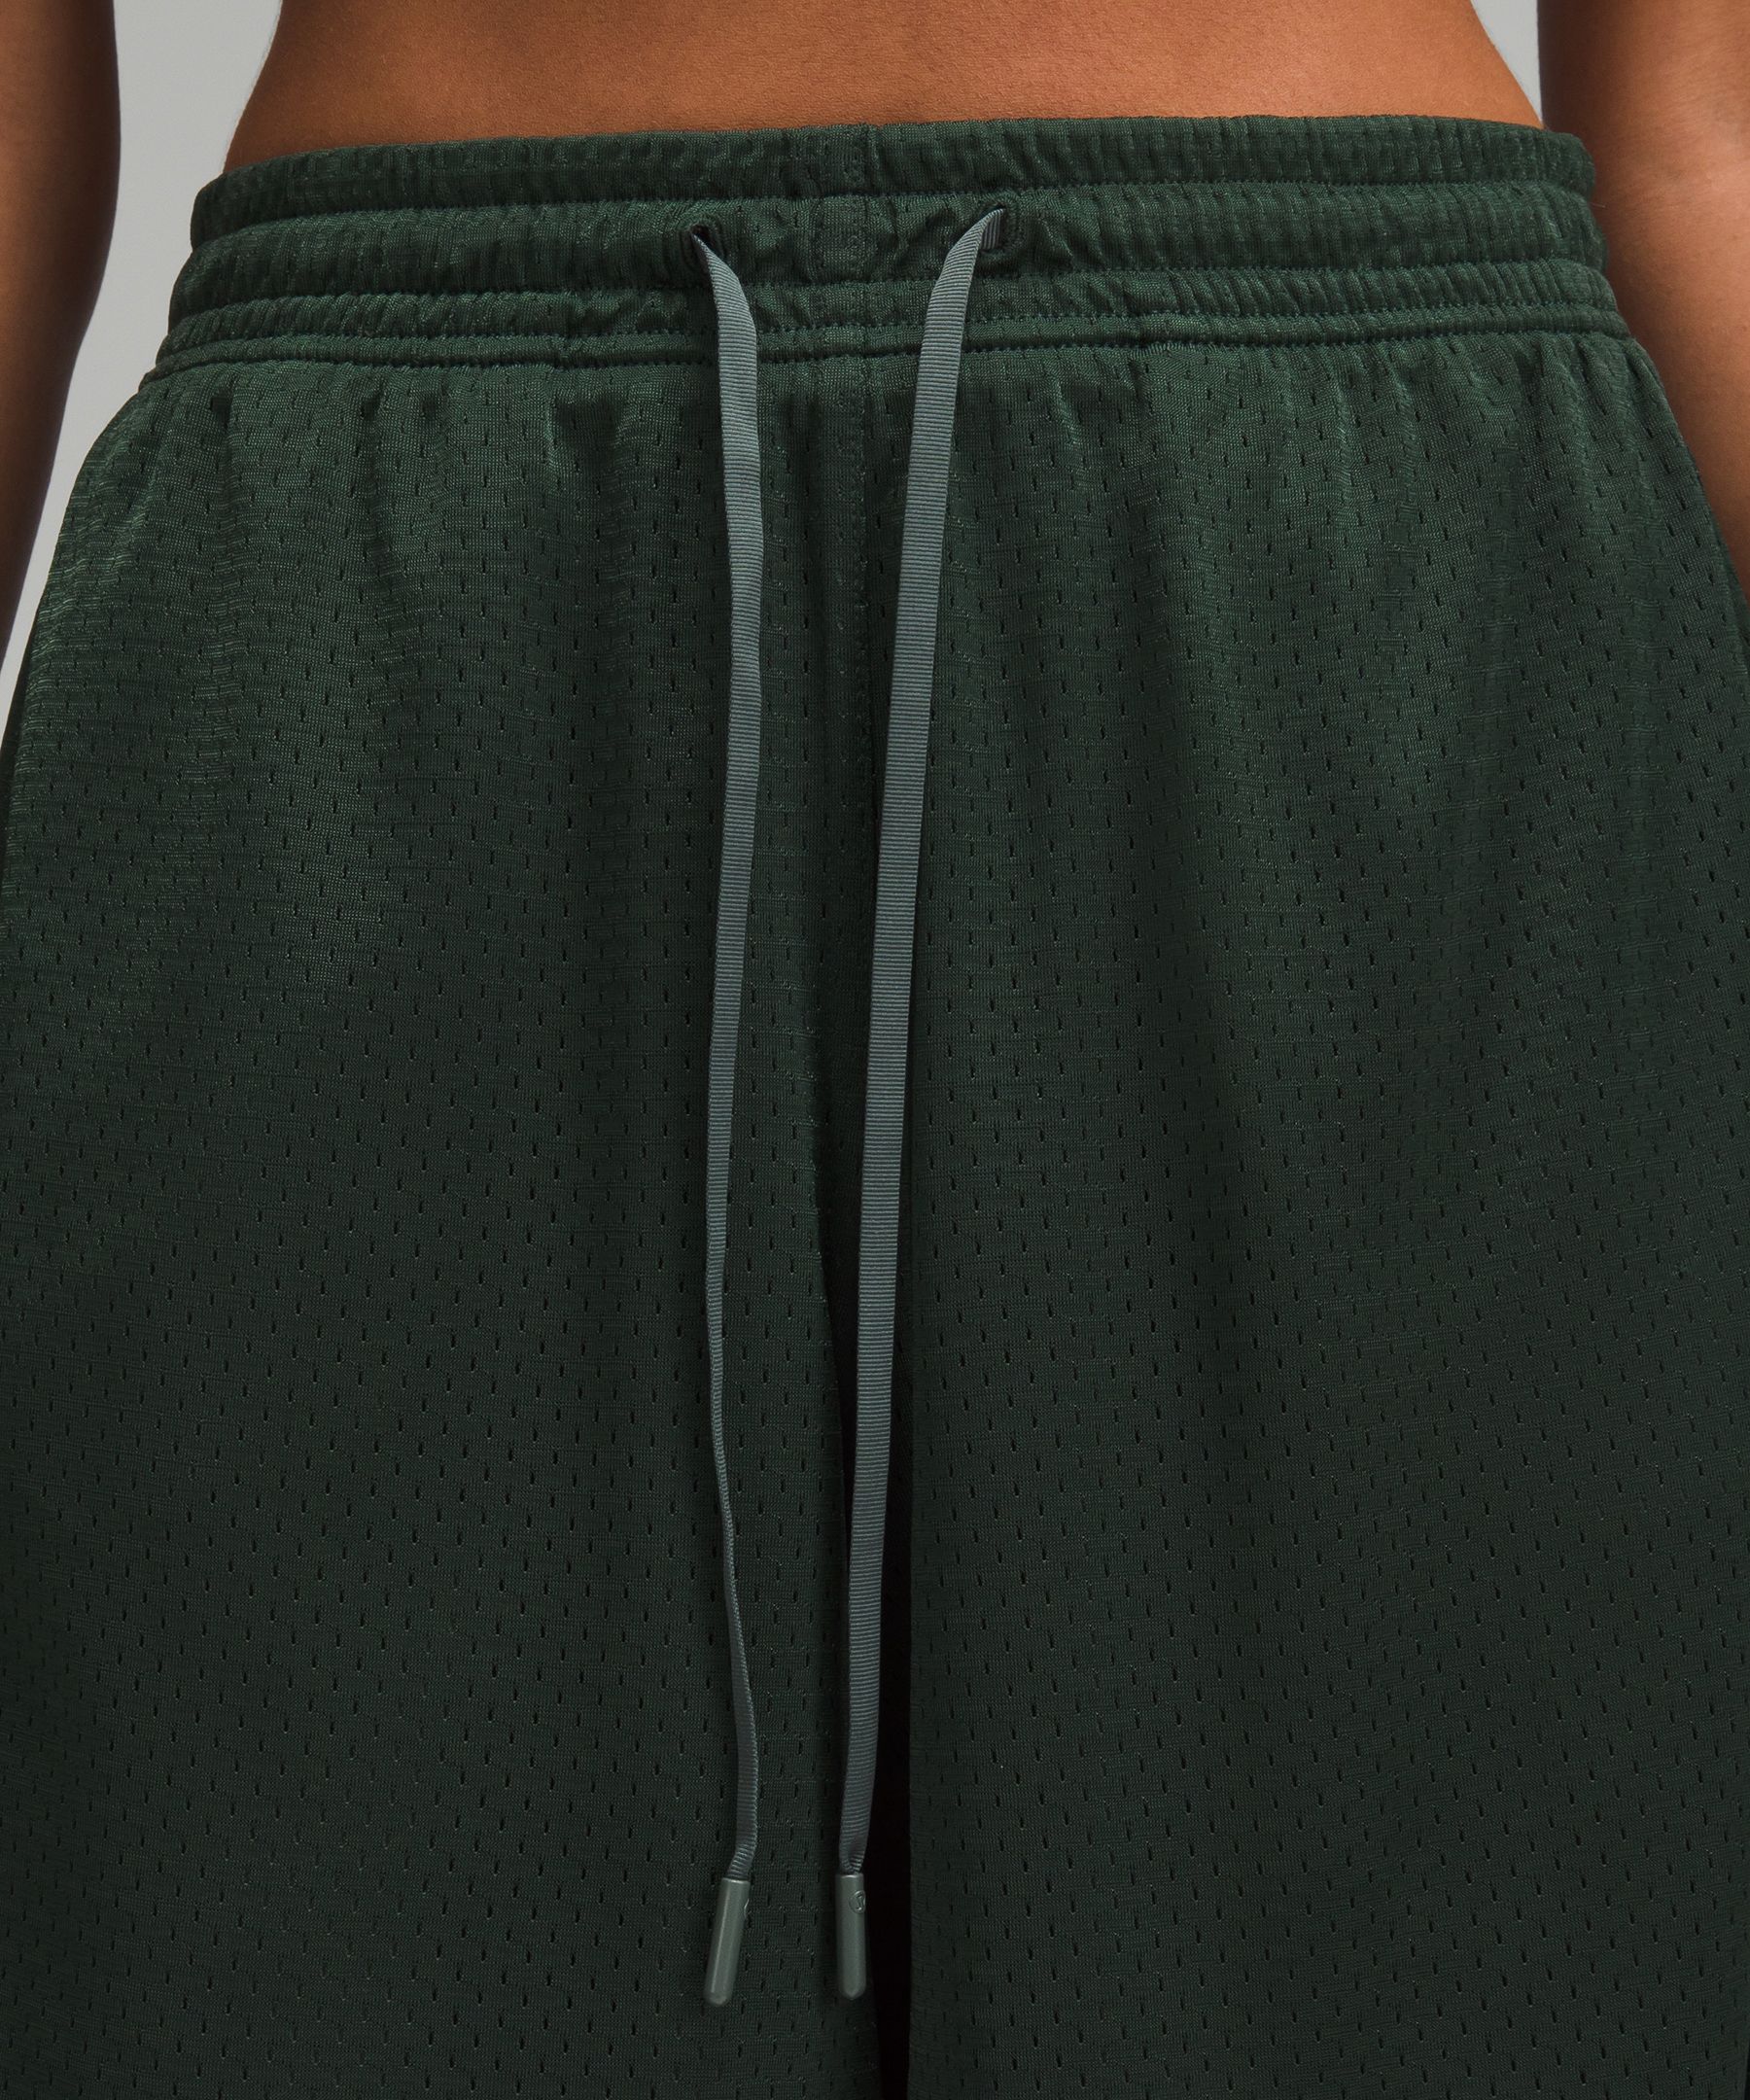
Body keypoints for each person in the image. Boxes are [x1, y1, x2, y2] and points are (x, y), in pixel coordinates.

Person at [1, 4, 1745, 2095]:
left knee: (1461, 1965)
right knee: (292, 1956)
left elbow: (1700, 135)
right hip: (380, 590)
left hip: (1370, 586)